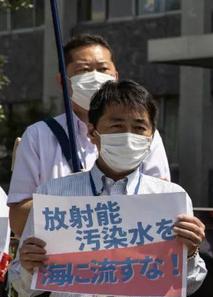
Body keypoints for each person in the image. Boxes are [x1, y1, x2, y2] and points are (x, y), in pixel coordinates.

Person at [10, 80, 207, 297]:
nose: (128, 136)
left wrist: (190, 253)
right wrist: (28, 263)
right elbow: (21, 281)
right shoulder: (55, 195)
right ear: (93, 131)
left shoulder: (170, 198)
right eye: (117, 125)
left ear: (152, 137)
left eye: (139, 128)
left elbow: (188, 286)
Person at [8, 33, 171, 236]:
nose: (96, 76)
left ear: (115, 77)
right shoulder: (38, 136)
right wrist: (85, 213)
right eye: (84, 70)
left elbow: (162, 202)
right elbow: (19, 215)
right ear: (62, 80)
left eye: (103, 69)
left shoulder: (145, 135)